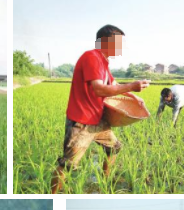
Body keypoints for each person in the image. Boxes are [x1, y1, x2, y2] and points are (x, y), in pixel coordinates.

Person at [50, 24, 150, 194]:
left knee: (114, 147)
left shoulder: (103, 62)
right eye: (118, 42)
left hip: (98, 119)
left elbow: (113, 84)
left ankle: (106, 181)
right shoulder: (92, 57)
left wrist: (135, 96)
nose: (121, 47)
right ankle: (50, 195)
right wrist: (132, 86)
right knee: (68, 164)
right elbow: (99, 89)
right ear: (105, 41)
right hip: (82, 122)